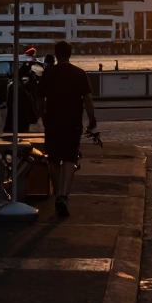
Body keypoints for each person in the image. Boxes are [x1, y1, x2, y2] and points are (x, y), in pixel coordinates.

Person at [38, 40, 98, 218]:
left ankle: (57, 194)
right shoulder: (79, 73)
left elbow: (40, 98)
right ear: (70, 54)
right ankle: (64, 196)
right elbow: (87, 98)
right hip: (73, 121)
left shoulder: (48, 73)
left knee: (54, 159)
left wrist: (43, 116)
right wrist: (92, 119)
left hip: (53, 121)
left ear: (56, 54)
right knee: (70, 158)